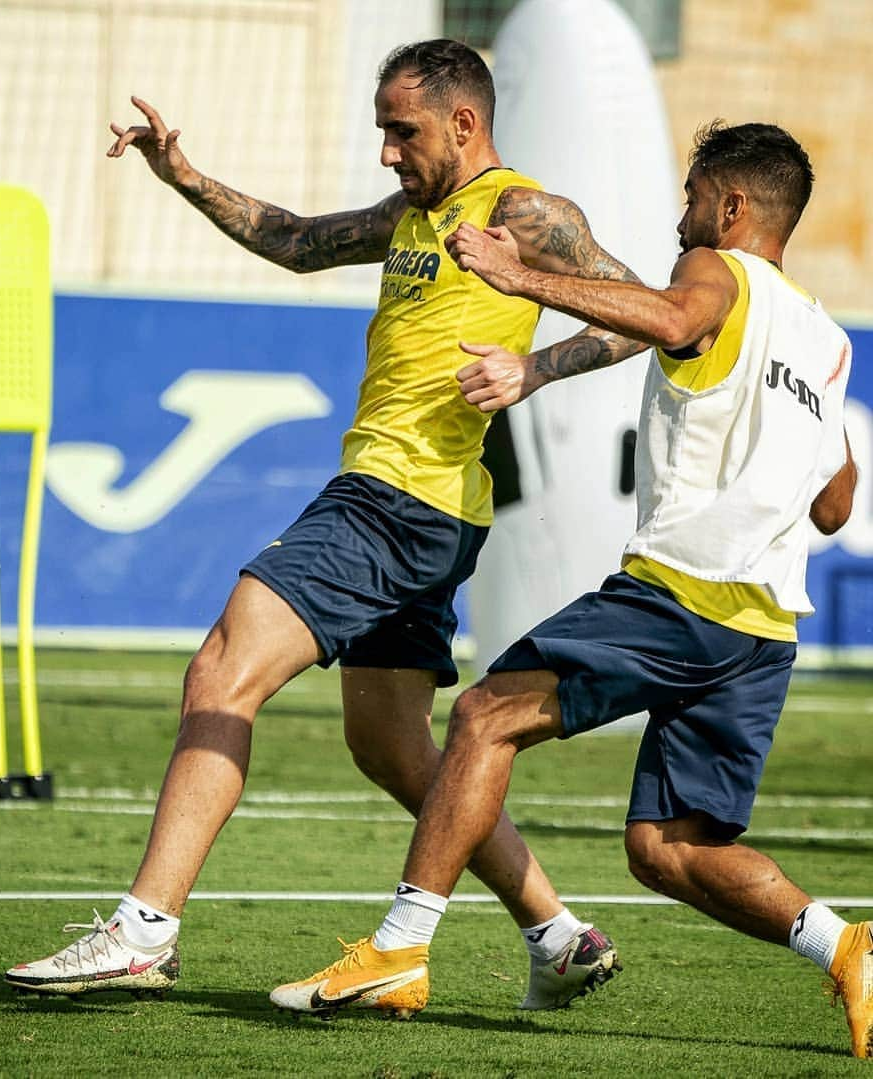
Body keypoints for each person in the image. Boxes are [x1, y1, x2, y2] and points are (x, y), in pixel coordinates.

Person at [5, 39, 642, 1010]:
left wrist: (534, 368)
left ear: (464, 123)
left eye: (403, 130)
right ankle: (559, 933)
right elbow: (298, 240)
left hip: (396, 497)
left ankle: (144, 927)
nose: (386, 150)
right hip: (425, 508)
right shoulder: (412, 215)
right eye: (382, 129)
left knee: (225, 663)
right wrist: (181, 174)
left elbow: (645, 310)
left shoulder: (524, 212)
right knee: (392, 746)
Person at [271, 120, 873, 1059]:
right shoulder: (826, 340)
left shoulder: (719, 271)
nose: (681, 222)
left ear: (732, 206)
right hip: (761, 629)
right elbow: (837, 502)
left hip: (681, 593)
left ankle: (398, 950)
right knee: (668, 847)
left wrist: (521, 280)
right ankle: (848, 948)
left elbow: (672, 318)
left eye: (690, 201)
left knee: (481, 718)